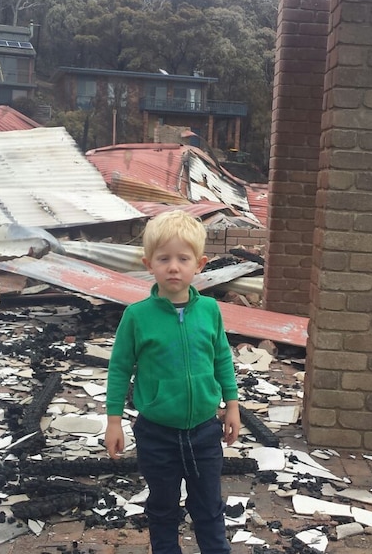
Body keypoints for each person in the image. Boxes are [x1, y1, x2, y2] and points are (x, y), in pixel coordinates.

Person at [104, 209, 241, 554]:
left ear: (200, 263)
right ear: (149, 263)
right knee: (163, 509)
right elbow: (120, 369)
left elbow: (222, 358)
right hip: (157, 434)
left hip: (205, 432)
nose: (174, 267)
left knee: (209, 508)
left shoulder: (210, 310)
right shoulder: (137, 317)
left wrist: (234, 406)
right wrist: (113, 421)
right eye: (164, 258)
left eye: (183, 258)